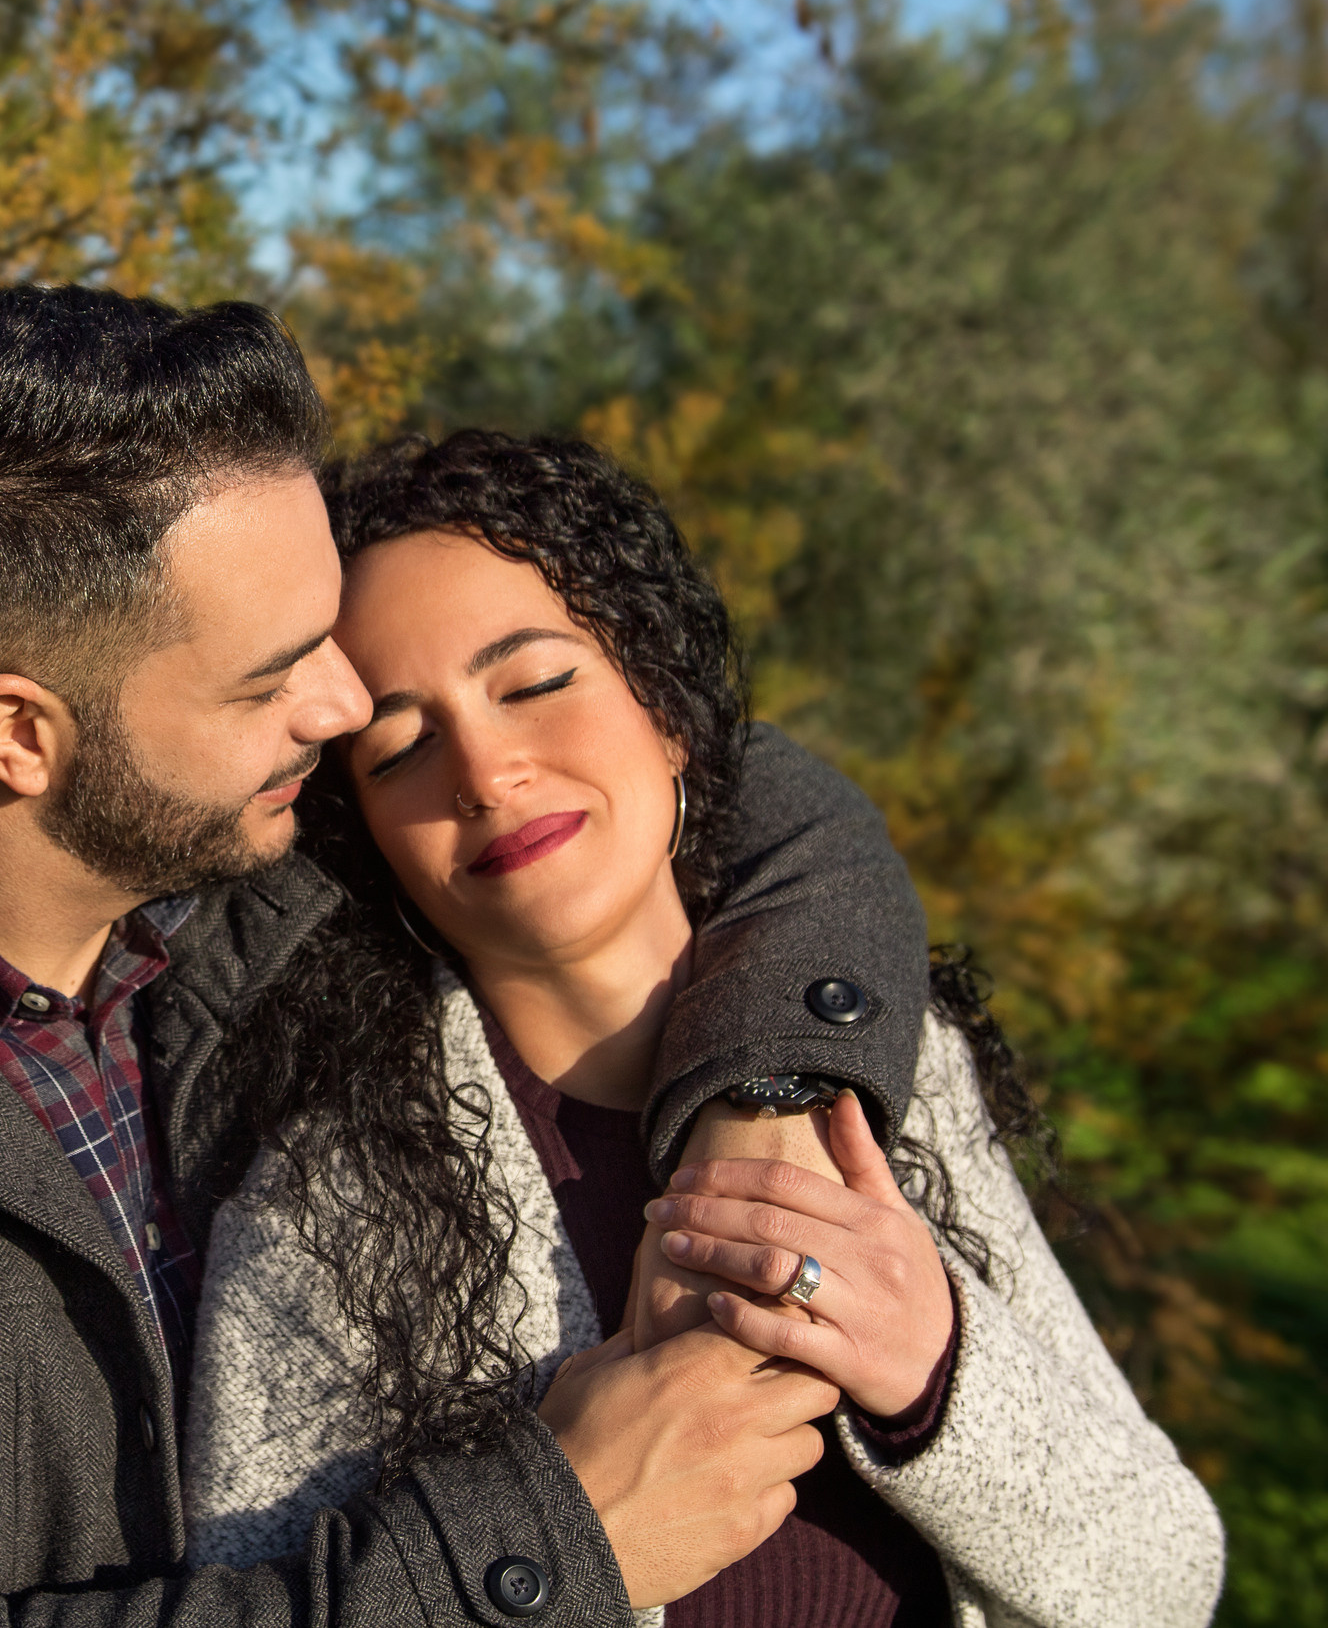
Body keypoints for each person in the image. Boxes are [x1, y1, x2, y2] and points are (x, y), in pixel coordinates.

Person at [0, 287, 937, 1626]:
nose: (342, 702)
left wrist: (772, 1101)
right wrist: (547, 1536)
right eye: (272, 675)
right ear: (19, 734)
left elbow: (739, 788)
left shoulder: (261, 819)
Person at [181, 429, 1225, 1624]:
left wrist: (935, 1377)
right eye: (402, 747)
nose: (484, 769)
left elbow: (1167, 1580)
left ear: (667, 712)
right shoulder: (319, 1209)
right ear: (363, 834)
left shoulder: (901, 1072)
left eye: (534, 683)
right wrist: (554, 1524)